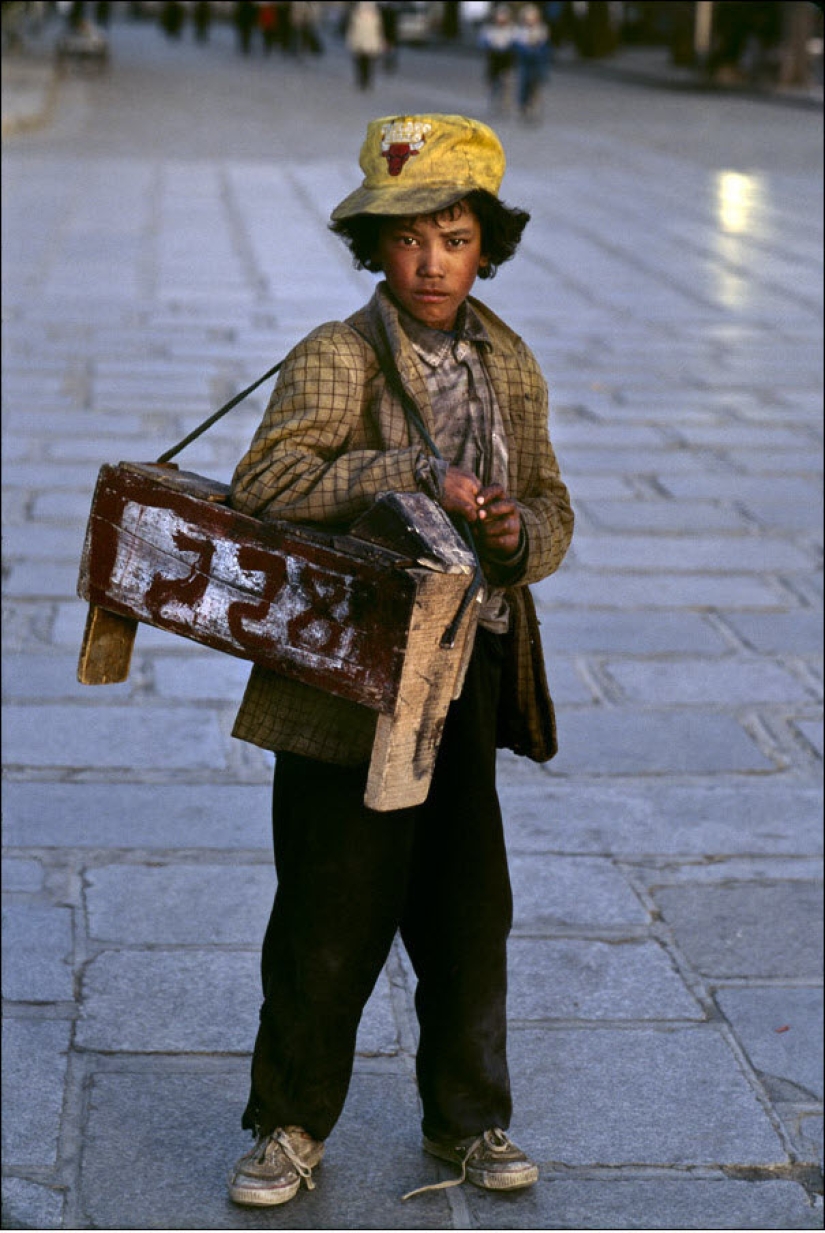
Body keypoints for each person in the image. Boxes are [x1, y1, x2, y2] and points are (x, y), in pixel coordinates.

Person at [226, 112, 574, 1209]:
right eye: (412, 237)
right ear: (376, 246)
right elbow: (269, 483)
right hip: (349, 674)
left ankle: (469, 1122)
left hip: (466, 671)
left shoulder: (508, 360)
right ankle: (289, 1122)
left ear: (488, 248)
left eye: (458, 238)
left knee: (471, 907)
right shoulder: (338, 353)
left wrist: (521, 536)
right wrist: (411, 473)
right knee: (331, 906)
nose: (434, 262)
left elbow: (554, 509)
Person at [514, 3, 550, 121]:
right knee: (524, 84)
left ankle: (534, 106)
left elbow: (544, 47)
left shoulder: (541, 29)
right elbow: (518, 46)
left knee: (536, 85)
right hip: (525, 62)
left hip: (537, 63)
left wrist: (537, 50)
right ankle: (523, 105)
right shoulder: (520, 31)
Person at [479, 4, 516, 118]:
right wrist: (490, 46)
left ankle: (505, 105)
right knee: (492, 81)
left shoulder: (512, 30)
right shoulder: (489, 29)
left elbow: (516, 44)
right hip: (494, 60)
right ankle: (492, 100)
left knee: (506, 82)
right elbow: (483, 42)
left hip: (506, 60)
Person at [345, 1, 385, 89]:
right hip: (370, 44)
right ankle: (366, 81)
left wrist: (350, 41)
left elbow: (352, 30)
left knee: (361, 63)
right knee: (368, 64)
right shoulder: (375, 16)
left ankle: (362, 81)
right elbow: (379, 30)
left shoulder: (356, 15)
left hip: (361, 43)